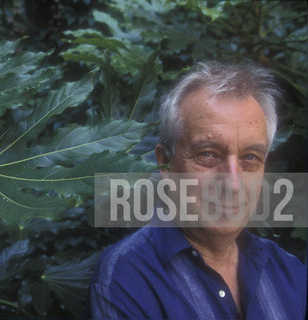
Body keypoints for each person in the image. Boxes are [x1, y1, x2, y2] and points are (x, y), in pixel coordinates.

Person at [88, 62, 307, 319]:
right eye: (208, 154)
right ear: (165, 163)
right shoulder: (126, 277)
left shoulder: (290, 272)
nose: (233, 184)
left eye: (250, 158)